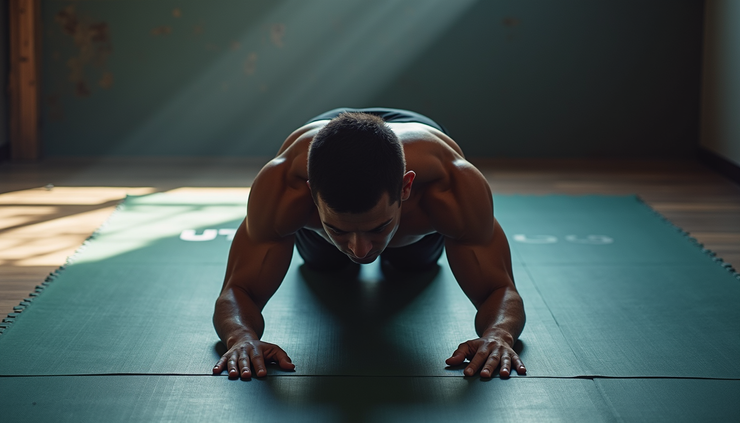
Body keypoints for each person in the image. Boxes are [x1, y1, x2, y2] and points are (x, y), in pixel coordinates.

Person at [212, 107, 526, 380]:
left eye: (379, 228)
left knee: (414, 266)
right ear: (311, 193)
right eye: (338, 229)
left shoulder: (451, 187)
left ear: (406, 187)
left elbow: (499, 289)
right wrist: (240, 337)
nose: (360, 251)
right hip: (328, 138)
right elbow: (238, 290)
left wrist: (499, 334)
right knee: (326, 265)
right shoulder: (282, 186)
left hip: (415, 197)